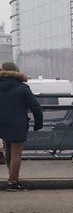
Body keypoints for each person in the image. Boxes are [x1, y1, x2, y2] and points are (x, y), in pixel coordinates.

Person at [0, 61, 44, 191]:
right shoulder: (22, 88)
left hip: (2, 124)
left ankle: (12, 177)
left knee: (8, 152)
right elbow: (36, 107)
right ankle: (13, 182)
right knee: (16, 154)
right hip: (18, 124)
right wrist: (38, 123)